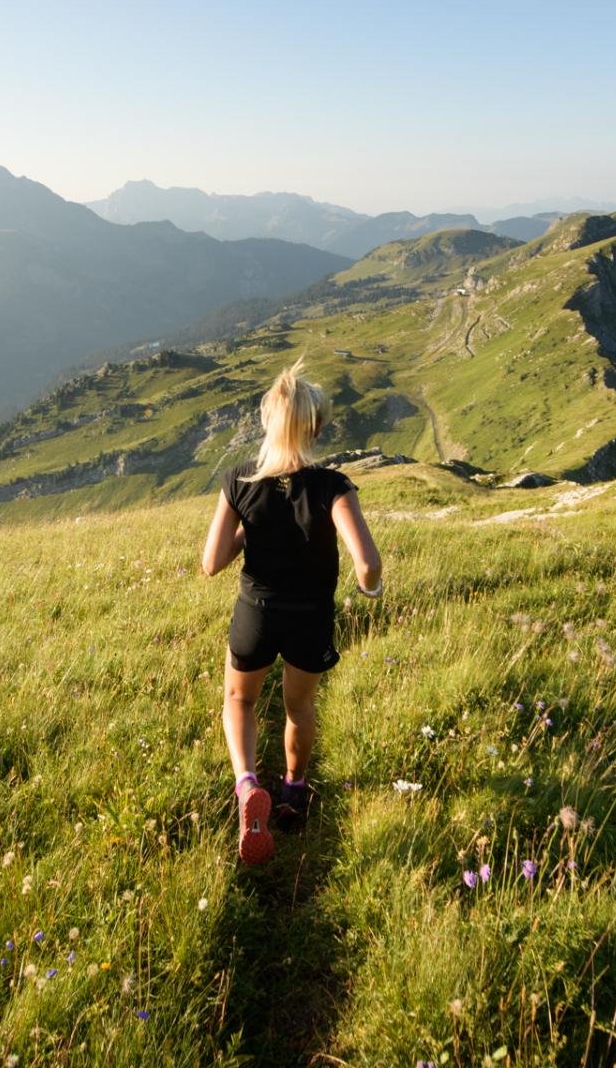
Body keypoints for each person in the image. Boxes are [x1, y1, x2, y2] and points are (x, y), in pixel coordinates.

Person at [201, 359, 383, 864]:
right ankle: (294, 790)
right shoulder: (333, 486)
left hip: (255, 613)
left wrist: (250, 526)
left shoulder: (238, 480)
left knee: (239, 701)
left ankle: (246, 785)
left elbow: (211, 563)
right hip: (310, 617)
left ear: (267, 423)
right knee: (299, 708)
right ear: (317, 428)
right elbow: (367, 563)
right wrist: (371, 590)